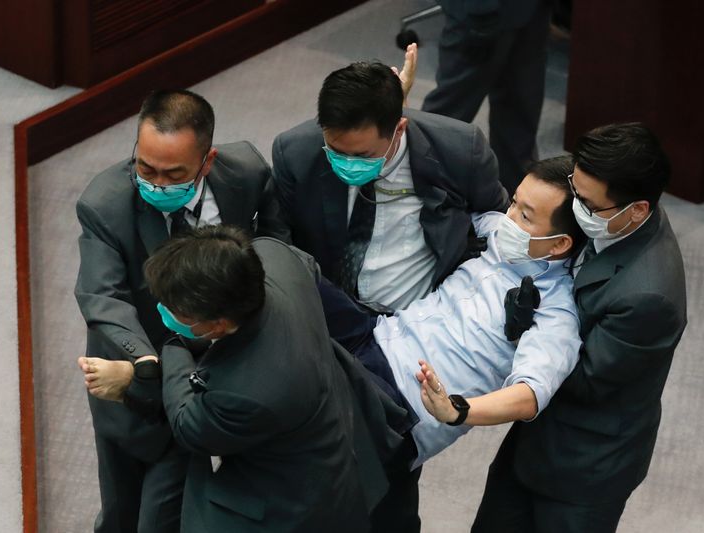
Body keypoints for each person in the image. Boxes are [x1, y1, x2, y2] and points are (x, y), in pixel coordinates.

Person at [318, 156, 586, 532]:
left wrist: (456, 410)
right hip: (375, 334)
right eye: (513, 203)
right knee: (290, 267)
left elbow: (529, 395)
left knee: (303, 463)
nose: (509, 217)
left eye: (525, 216)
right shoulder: (497, 229)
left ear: (558, 243)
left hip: (400, 403)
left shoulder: (556, 313)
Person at [87, 226, 402, 532]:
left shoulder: (250, 392)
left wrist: (169, 349)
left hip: (293, 506)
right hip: (339, 430)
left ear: (219, 325)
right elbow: (309, 267)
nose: (164, 313)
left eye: (175, 313)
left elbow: (187, 423)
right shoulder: (273, 257)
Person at [74, 89, 288, 533]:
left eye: (173, 175)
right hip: (139, 363)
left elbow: (275, 240)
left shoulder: (246, 171)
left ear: (206, 162)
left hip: (223, 358)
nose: (156, 183)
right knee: (126, 507)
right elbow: (102, 296)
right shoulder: (104, 204)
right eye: (145, 168)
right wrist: (145, 365)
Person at [463, 123, 687, 533]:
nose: (575, 207)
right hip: (532, 445)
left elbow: (584, 380)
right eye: (574, 188)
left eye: (586, 202)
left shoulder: (649, 298)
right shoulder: (615, 210)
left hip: (584, 469)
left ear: (636, 209)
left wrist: (523, 330)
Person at [272, 60, 509, 313]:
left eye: (363, 156)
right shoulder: (295, 152)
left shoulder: (460, 151)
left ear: (399, 129)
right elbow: (280, 242)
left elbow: (496, 220)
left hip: (419, 317)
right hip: (330, 312)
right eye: (336, 152)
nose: (348, 164)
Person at [421, 0, 553, 194]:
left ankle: (514, 201)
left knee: (520, 107)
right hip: (481, 14)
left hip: (531, 11)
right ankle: (420, 194)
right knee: (448, 115)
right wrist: (479, 10)